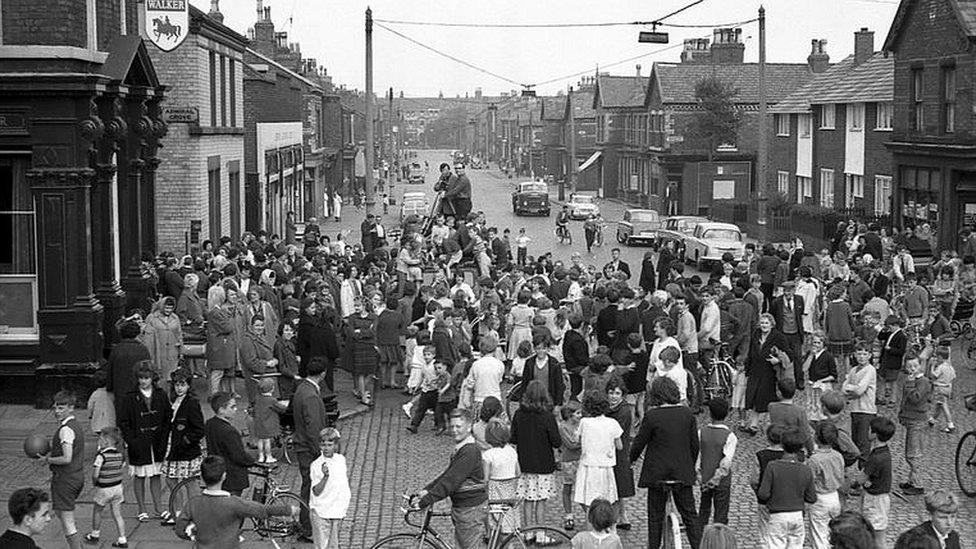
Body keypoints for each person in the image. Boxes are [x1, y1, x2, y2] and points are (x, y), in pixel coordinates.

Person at [630, 376, 702, 549]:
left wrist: (630, 460)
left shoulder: (652, 416)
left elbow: (640, 443)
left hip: (658, 474)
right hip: (681, 472)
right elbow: (694, 445)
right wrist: (690, 466)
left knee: (655, 517)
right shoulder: (687, 414)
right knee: (690, 516)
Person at [175, 456, 296, 548]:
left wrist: (194, 535)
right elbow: (262, 510)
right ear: (224, 476)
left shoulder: (193, 503)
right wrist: (288, 510)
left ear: (201, 477)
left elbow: (180, 530)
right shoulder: (234, 503)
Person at [411, 409, 487, 549]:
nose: (454, 430)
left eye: (458, 426)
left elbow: (451, 481)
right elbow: (448, 474)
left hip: (470, 509)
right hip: (463, 508)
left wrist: (426, 501)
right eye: (452, 426)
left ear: (469, 427)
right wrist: (427, 490)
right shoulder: (462, 448)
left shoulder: (469, 451)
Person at [510, 380, 562, 544]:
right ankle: (540, 535)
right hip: (543, 464)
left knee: (527, 499)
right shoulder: (547, 416)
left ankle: (528, 533)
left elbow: (513, 438)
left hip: (524, 463)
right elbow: (556, 441)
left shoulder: (519, 414)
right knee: (540, 501)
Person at [118, 363, 170, 523]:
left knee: (156, 475)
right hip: (138, 442)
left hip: (157, 441)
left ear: (152, 378)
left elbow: (168, 417)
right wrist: (131, 440)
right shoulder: (129, 397)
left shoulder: (161, 395)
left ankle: (158, 507)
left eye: (146, 378)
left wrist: (164, 435)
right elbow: (124, 421)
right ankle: (141, 508)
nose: (143, 381)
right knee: (139, 476)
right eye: (141, 378)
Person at [37, 390, 85, 549]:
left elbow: (67, 458)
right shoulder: (76, 425)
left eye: (61, 408)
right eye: (56, 407)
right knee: (60, 512)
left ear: (71, 407)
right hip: (76, 476)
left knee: (66, 520)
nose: (57, 412)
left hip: (65, 479)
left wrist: (47, 459)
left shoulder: (66, 430)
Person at [292, 357, 332, 542]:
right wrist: (321, 452)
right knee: (311, 489)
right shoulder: (311, 395)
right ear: (322, 374)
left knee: (308, 487)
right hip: (309, 450)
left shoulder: (302, 389)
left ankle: (306, 526)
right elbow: (314, 427)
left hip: (303, 446)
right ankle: (307, 528)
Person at [756, 428, 817, 548]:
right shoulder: (806, 469)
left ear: (782, 445)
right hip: (797, 515)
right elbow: (812, 498)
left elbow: (763, 494)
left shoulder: (772, 467)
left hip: (777, 515)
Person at [161, 368, 205, 526]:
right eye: (176, 385)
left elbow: (200, 429)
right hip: (173, 448)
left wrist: (185, 441)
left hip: (186, 451)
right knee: (171, 480)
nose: (179, 388)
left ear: (188, 386)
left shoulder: (191, 403)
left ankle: (195, 514)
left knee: (190, 483)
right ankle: (178, 511)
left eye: (182, 384)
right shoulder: (174, 400)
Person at [203, 392, 257, 498]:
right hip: (232, 477)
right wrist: (252, 462)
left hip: (217, 473)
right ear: (221, 410)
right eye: (232, 407)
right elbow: (239, 455)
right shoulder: (229, 431)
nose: (236, 409)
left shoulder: (210, 424)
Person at [83, 427, 127, 548]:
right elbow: (120, 468)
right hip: (118, 488)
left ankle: (95, 534)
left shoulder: (101, 456)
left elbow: (96, 474)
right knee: (117, 514)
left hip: (105, 489)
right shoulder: (120, 455)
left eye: (100, 439)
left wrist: (95, 482)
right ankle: (122, 538)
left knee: (97, 510)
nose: (99, 441)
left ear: (106, 441)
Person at [309, 427, 351, 549]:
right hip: (321, 511)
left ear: (336, 445)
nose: (326, 448)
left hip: (336, 511)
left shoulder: (340, 460)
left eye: (329, 444)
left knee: (333, 546)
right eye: (323, 445)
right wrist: (325, 477)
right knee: (322, 546)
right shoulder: (316, 465)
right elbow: (316, 491)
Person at [698, 397, 737, 526]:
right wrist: (716, 478)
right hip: (722, 482)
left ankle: (701, 538)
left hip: (705, 477)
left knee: (704, 510)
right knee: (721, 514)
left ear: (710, 413)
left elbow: (697, 457)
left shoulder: (701, 433)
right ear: (726, 414)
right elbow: (726, 462)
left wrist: (700, 477)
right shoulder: (730, 436)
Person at [897, 352, 932, 495]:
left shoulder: (922, 381)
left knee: (913, 454)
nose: (912, 369)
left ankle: (918, 484)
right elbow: (905, 399)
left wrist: (911, 382)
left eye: (915, 366)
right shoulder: (909, 380)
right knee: (909, 452)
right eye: (909, 366)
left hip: (917, 421)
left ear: (920, 366)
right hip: (910, 420)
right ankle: (912, 480)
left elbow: (915, 398)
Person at [807, 422, 845, 549]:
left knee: (819, 534)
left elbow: (809, 481)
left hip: (820, 498)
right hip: (835, 496)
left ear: (816, 437)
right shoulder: (838, 456)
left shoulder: (815, 459)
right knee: (833, 532)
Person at [860, 416, 895, 549]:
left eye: (869, 430)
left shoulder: (875, 457)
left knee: (877, 536)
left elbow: (861, 478)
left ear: (874, 434)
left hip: (875, 500)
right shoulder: (885, 452)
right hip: (881, 498)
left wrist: (857, 483)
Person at [605, 377, 635, 529]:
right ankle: (623, 516)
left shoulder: (623, 411)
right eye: (611, 393)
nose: (614, 396)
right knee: (617, 486)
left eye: (617, 393)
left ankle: (616, 520)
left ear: (622, 395)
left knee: (617, 487)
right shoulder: (607, 408)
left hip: (619, 452)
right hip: (611, 451)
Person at [105, 319, 151, 418]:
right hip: (139, 389)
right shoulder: (143, 349)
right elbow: (148, 371)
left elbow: (110, 371)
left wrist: (109, 387)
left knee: (123, 417)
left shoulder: (116, 350)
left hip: (121, 390)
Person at [482, 421, 521, 535]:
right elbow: (518, 472)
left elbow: (485, 478)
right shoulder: (512, 451)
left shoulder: (488, 454)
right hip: (510, 488)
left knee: (496, 522)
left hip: (495, 489)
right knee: (509, 518)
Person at [843, 342, 878, 458]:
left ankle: (864, 469)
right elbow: (844, 388)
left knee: (863, 443)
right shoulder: (853, 370)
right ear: (855, 355)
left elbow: (860, 390)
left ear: (869, 355)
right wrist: (852, 389)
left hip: (866, 411)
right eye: (859, 354)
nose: (861, 357)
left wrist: (852, 389)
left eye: (864, 354)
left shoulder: (870, 370)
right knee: (855, 442)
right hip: (855, 410)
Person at [407, 358, 453, 434]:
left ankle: (440, 425)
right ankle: (414, 425)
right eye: (436, 368)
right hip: (427, 391)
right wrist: (419, 386)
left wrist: (441, 390)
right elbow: (423, 377)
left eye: (439, 368)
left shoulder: (446, 375)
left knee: (439, 411)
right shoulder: (424, 366)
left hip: (439, 395)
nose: (437, 370)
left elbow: (448, 383)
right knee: (421, 408)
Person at [557, 400, 582, 530]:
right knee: (567, 489)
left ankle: (589, 513)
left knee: (581, 489)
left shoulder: (581, 425)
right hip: (568, 461)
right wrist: (584, 442)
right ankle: (569, 515)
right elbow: (571, 444)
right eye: (578, 413)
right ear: (570, 414)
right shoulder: (563, 426)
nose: (580, 415)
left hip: (580, 459)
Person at [253, 377, 287, 464]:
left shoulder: (258, 397)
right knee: (267, 441)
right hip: (267, 424)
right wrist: (285, 405)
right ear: (271, 389)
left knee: (260, 440)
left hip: (258, 423)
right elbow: (281, 409)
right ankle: (268, 456)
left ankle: (261, 456)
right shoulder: (271, 400)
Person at [87, 369, 115, 436]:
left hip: (99, 423)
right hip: (111, 422)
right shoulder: (112, 394)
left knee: (102, 438)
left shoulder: (95, 394)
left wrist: (90, 415)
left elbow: (90, 406)